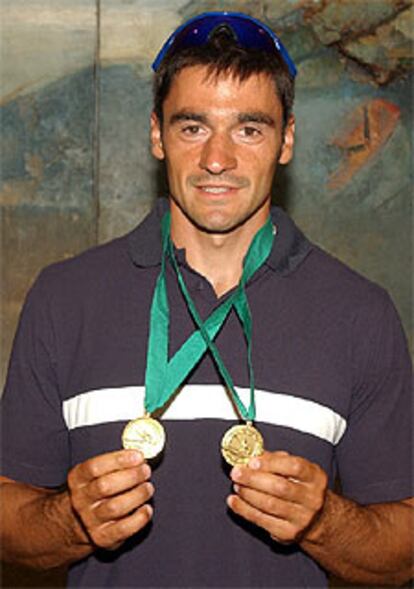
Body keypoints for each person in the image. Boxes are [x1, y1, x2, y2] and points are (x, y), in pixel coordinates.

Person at [1, 11, 412, 588]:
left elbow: (402, 552)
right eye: (193, 127)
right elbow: (9, 519)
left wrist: (323, 521)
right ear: (156, 134)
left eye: (249, 129)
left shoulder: (360, 315)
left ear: (287, 139)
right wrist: (69, 521)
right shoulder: (65, 298)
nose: (217, 159)